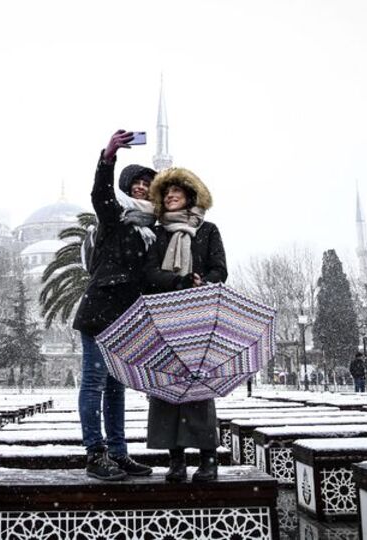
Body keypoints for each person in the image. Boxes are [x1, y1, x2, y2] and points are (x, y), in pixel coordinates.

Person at [71, 130, 156, 481]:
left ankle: (119, 453)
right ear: (127, 188)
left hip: (129, 316)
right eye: (136, 183)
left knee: (117, 386)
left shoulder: (152, 229)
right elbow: (100, 195)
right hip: (101, 310)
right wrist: (107, 158)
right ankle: (95, 453)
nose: (142, 188)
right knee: (94, 381)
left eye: (148, 183)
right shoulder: (115, 219)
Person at [143, 167, 227, 483]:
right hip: (165, 318)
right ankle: (175, 460)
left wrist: (202, 281)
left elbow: (220, 269)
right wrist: (178, 282)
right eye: (166, 193)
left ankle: (208, 459)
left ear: (190, 196)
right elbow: (149, 273)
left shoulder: (208, 230)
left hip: (199, 318)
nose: (171, 196)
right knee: (166, 387)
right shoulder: (157, 233)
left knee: (197, 387)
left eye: (177, 191)